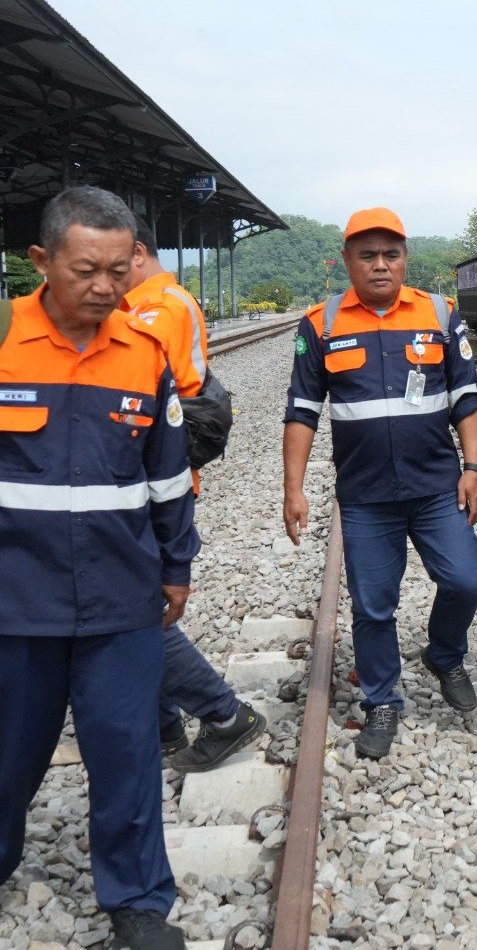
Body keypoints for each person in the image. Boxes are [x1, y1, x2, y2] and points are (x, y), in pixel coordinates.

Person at [0, 187, 198, 948]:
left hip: (120, 602)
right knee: (4, 751)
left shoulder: (144, 355)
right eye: (86, 269)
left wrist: (176, 564)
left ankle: (137, 899)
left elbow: (167, 478)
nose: (104, 287)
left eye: (120, 271)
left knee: (126, 751)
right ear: (41, 262)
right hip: (5, 602)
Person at [282, 206, 477, 760]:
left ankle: (444, 656)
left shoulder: (439, 314)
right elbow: (302, 411)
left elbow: (467, 398)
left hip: (435, 488)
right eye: (367, 255)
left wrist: (473, 468)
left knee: (466, 578)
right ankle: (382, 700)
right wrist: (293, 488)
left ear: (405, 259)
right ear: (346, 260)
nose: (380, 265)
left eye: (390, 255)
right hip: (367, 495)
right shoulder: (320, 324)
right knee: (374, 606)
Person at [124, 215, 266, 773]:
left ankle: (223, 714)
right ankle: (162, 726)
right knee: (136, 607)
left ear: (135, 252)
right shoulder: (144, 302)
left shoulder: (163, 306)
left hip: (150, 481)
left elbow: (137, 388)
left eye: (107, 265)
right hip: (137, 479)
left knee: (136, 613)